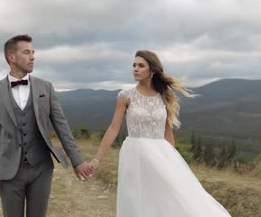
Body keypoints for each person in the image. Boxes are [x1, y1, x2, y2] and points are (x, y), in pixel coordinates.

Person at [89, 50, 231, 216]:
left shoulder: (164, 96)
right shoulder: (125, 96)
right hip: (135, 155)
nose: (135, 69)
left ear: (153, 71)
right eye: (134, 65)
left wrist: (174, 161)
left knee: (170, 197)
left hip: (161, 153)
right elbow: (113, 128)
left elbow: (167, 131)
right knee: (136, 200)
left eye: (141, 65)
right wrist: (97, 158)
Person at [0, 34, 93, 217]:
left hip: (41, 169)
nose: (32, 57)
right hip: (10, 171)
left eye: (33, 52)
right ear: (12, 57)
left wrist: (77, 160)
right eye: (26, 52)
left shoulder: (46, 87)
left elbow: (61, 126)